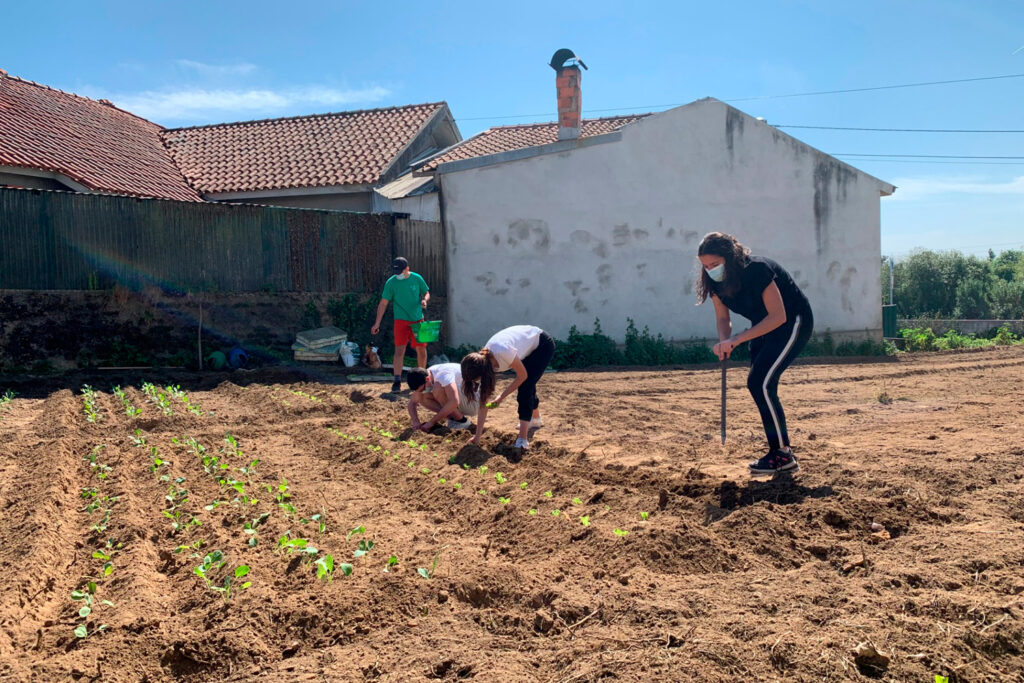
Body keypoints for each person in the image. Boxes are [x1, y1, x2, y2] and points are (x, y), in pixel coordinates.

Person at [696, 232, 814, 475]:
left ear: (730, 258)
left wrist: (738, 339)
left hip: (793, 322)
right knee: (760, 385)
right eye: (705, 266)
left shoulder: (757, 270)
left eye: (715, 264)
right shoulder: (715, 282)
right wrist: (725, 341)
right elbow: (722, 317)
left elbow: (779, 316)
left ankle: (782, 455)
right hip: (762, 327)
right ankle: (779, 453)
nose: (710, 270)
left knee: (759, 382)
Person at [461, 325, 555, 451]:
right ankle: (535, 419)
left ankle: (522, 439)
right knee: (528, 384)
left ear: (484, 371)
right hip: (525, 348)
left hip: (542, 345)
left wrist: (500, 397)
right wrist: (477, 437)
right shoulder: (483, 360)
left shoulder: (502, 351)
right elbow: (484, 402)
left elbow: (523, 376)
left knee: (526, 386)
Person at [371, 257, 430, 392]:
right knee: (399, 350)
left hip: (418, 320)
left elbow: (426, 292)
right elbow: (383, 303)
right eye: (395, 271)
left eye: (400, 271)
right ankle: (397, 380)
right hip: (401, 321)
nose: (397, 273)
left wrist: (424, 300)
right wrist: (376, 323)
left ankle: (423, 378)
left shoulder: (417, 278)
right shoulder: (391, 283)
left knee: (421, 349)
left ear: (407, 269)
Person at [406, 363, 477, 432]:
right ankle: (453, 419)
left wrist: (432, 422)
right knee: (421, 396)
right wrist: (416, 422)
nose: (423, 391)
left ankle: (462, 421)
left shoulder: (443, 375)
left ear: (427, 379)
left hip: (474, 401)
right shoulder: (425, 374)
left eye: (423, 389)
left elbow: (454, 401)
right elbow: (412, 403)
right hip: (464, 398)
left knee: (438, 388)